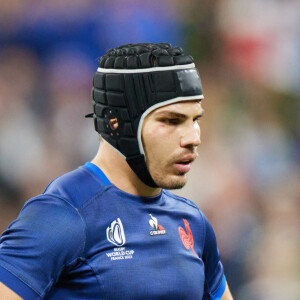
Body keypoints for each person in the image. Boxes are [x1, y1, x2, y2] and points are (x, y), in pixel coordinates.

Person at [0, 43, 233, 299]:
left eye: (195, 120)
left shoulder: (194, 224)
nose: (192, 138)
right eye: (171, 120)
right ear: (116, 122)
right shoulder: (62, 215)